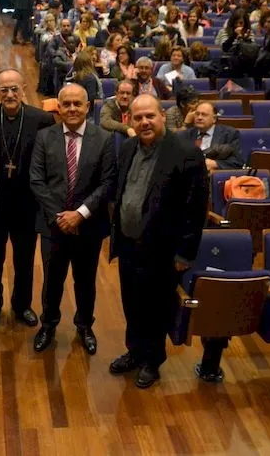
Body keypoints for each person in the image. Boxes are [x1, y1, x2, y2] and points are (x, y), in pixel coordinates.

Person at [110, 94, 208, 388]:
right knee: (131, 302)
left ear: (162, 116)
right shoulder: (128, 148)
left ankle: (152, 361)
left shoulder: (186, 153)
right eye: (138, 117)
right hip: (129, 243)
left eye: (150, 116)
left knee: (156, 307)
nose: (144, 122)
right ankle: (134, 351)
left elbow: (195, 209)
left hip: (162, 249)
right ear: (130, 120)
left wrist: (184, 254)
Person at [29, 83, 116, 355]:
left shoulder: (103, 138)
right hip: (53, 225)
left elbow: (107, 182)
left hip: (88, 226)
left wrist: (79, 214)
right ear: (58, 108)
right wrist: (60, 217)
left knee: (85, 281)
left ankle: (85, 326)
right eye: (66, 104)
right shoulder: (44, 137)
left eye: (78, 104)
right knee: (52, 281)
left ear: (88, 107)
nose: (72, 109)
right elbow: (37, 180)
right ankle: (48, 324)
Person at [0, 69, 55, 330]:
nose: (10, 94)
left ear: (24, 88)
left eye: (15, 89)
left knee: (25, 259)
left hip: (28, 203)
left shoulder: (42, 120)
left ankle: (22, 305)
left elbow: (50, 160)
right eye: (4, 90)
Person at [182, 101, 244, 171]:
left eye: (204, 115)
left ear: (214, 119)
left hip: (215, 175)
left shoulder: (229, 134)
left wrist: (215, 164)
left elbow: (237, 162)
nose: (199, 117)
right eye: (197, 114)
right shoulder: (186, 134)